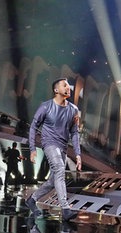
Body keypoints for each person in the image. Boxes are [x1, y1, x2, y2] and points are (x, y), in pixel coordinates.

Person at [26, 78, 82, 221]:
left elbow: (75, 133)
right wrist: (32, 149)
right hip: (49, 143)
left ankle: (32, 199)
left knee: (53, 180)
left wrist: (78, 154)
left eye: (69, 85)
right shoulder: (45, 107)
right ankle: (65, 209)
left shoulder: (73, 110)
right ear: (56, 90)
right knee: (59, 169)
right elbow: (33, 127)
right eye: (65, 85)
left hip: (63, 146)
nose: (68, 87)